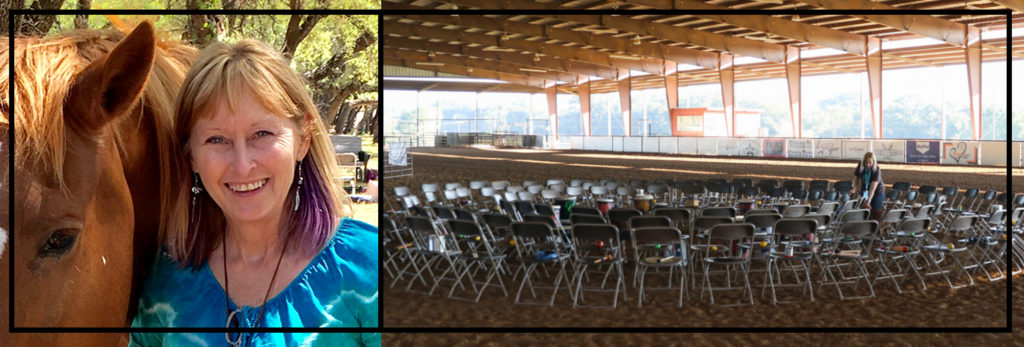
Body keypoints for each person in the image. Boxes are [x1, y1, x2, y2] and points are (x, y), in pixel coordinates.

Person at [130, 40, 378, 346]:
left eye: (262, 134)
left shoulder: (368, 269)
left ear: (303, 139)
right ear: (191, 155)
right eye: (216, 140)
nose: (242, 165)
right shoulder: (164, 285)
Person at [849, 152, 885, 222]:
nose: (867, 165)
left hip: (877, 191)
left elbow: (872, 188)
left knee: (875, 211)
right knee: (864, 210)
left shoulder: (876, 170)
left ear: (873, 162)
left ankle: (875, 229)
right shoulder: (860, 166)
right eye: (866, 162)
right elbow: (856, 179)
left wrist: (868, 201)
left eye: (870, 163)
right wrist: (854, 188)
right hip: (865, 190)